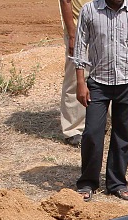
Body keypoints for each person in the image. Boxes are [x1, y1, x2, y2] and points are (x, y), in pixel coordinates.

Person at [73, 0, 128, 201]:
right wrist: (80, 83)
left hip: (127, 82)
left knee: (123, 134)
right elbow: (80, 48)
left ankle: (117, 182)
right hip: (98, 83)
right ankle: (87, 182)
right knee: (92, 133)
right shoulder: (89, 10)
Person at [59, 0, 88, 147]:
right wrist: (72, 34)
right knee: (75, 79)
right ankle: (73, 129)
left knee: (102, 74)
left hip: (103, 26)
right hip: (79, 30)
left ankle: (98, 121)